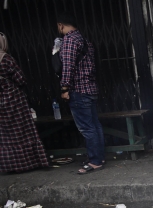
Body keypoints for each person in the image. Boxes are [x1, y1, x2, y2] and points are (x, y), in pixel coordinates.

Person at [57, 12, 104, 175]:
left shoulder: (69, 40)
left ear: (60, 25)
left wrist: (64, 89)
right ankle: (98, 157)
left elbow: (68, 67)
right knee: (95, 125)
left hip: (79, 90)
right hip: (90, 89)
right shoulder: (83, 39)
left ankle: (95, 161)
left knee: (87, 128)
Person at [0, 32, 49, 173]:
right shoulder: (6, 59)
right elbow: (21, 79)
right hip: (13, 100)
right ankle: (26, 164)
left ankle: (7, 166)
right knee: (22, 132)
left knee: (4, 135)